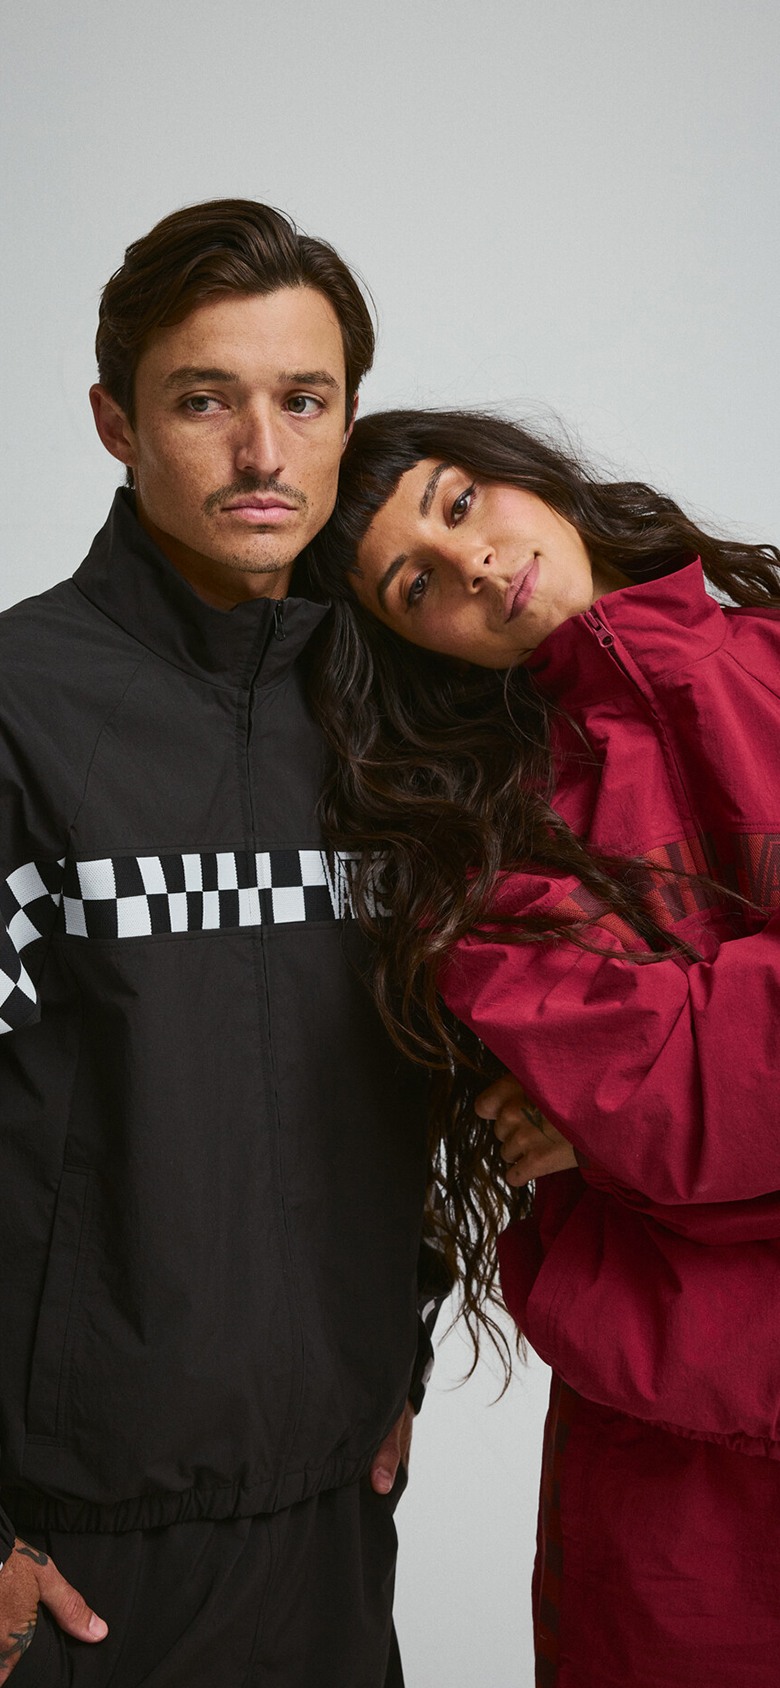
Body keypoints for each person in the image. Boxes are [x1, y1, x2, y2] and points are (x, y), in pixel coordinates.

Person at [0, 209, 438, 1688]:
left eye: (301, 402)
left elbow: (412, 1077)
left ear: (346, 418)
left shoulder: (398, 727)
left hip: (334, 1528)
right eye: (205, 400)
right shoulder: (18, 710)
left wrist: (401, 1357)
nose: (263, 452)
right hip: (71, 1562)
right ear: (116, 422)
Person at [304, 407, 780, 1687]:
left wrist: (644, 1094)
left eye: (458, 504)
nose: (470, 566)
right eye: (416, 586)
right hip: (686, 1493)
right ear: (412, 646)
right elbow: (679, 1107)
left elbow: (668, 1106)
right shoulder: (478, 861)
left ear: (521, 473)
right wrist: (647, 1113)